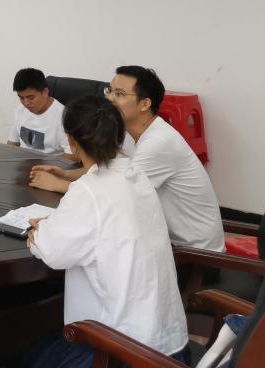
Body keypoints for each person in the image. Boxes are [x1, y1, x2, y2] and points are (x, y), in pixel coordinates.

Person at [21, 94, 189, 367]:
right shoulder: (137, 176)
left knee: (31, 356)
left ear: (72, 142)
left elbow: (53, 251)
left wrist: (38, 232)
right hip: (168, 345)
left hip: (119, 351)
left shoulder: (88, 191)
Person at [30, 66, 224, 251]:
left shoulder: (159, 142)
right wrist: (65, 174)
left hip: (193, 252)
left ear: (145, 104)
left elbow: (119, 195)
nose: (109, 99)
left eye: (119, 94)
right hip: (163, 236)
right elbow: (109, 171)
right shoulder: (128, 132)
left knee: (82, 249)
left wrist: (58, 185)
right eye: (109, 91)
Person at [7, 67, 70, 156]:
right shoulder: (20, 110)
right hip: (23, 162)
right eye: (21, 98)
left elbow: (72, 156)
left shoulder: (64, 116)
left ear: (45, 92)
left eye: (31, 97)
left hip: (51, 163)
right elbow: (12, 144)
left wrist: (44, 165)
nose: (26, 103)